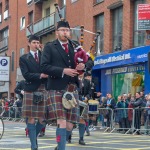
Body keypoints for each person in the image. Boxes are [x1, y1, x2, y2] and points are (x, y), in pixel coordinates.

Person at [41, 20, 85, 150]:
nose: (65, 32)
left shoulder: (75, 46)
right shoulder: (49, 47)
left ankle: (59, 146)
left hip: (72, 88)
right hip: (56, 87)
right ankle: (61, 148)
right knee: (61, 121)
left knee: (70, 125)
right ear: (57, 33)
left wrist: (83, 65)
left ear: (70, 32)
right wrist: (63, 70)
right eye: (62, 30)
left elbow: (89, 62)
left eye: (67, 30)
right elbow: (44, 67)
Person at [19, 35, 48, 150]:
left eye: (38, 42)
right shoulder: (24, 58)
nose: (36, 44)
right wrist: (40, 75)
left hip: (43, 88)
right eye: (34, 42)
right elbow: (26, 75)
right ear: (29, 43)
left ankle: (33, 137)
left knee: (43, 119)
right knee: (31, 118)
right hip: (30, 88)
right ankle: (33, 145)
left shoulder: (44, 56)